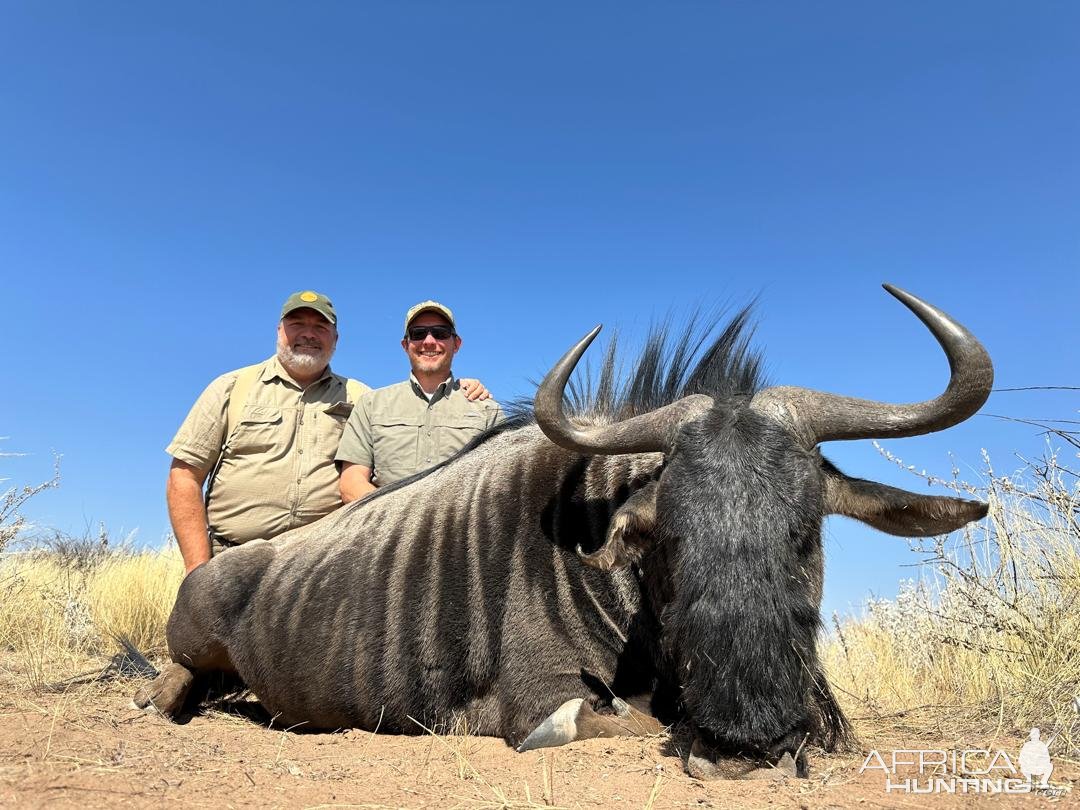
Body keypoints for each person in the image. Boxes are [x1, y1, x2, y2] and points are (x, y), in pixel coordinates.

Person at [166, 291, 489, 574]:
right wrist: (197, 570)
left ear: (335, 339)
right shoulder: (231, 388)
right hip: (234, 558)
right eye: (297, 324)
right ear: (279, 330)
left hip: (322, 561)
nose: (309, 334)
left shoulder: (361, 396)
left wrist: (466, 390)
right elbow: (184, 477)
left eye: (320, 327)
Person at [337, 300, 502, 501]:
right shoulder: (371, 404)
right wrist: (401, 521)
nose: (429, 341)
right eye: (418, 333)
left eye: (440, 333)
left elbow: (500, 485)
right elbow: (351, 483)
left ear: (456, 344)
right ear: (405, 345)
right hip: (388, 530)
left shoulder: (487, 410)